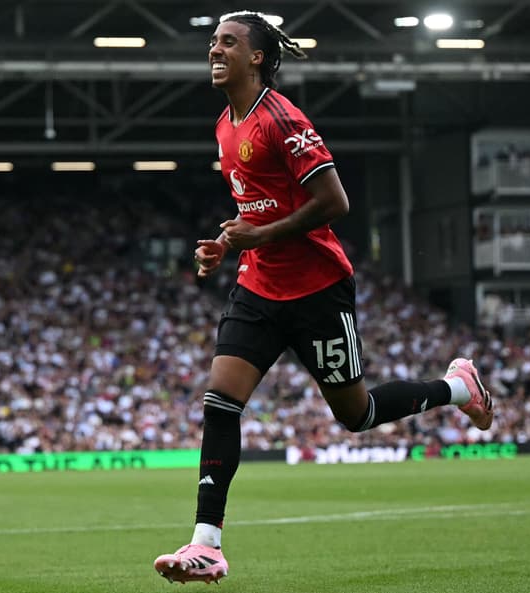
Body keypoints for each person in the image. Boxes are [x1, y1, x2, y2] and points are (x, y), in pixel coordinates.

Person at [153, 10, 494, 584]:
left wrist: (257, 235)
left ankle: (459, 387)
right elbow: (259, 205)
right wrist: (224, 243)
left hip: (317, 290)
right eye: (212, 42)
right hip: (258, 286)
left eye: (228, 43)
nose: (214, 50)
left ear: (257, 56)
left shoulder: (282, 119)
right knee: (220, 400)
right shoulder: (225, 125)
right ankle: (206, 544)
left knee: (356, 415)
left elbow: (334, 202)